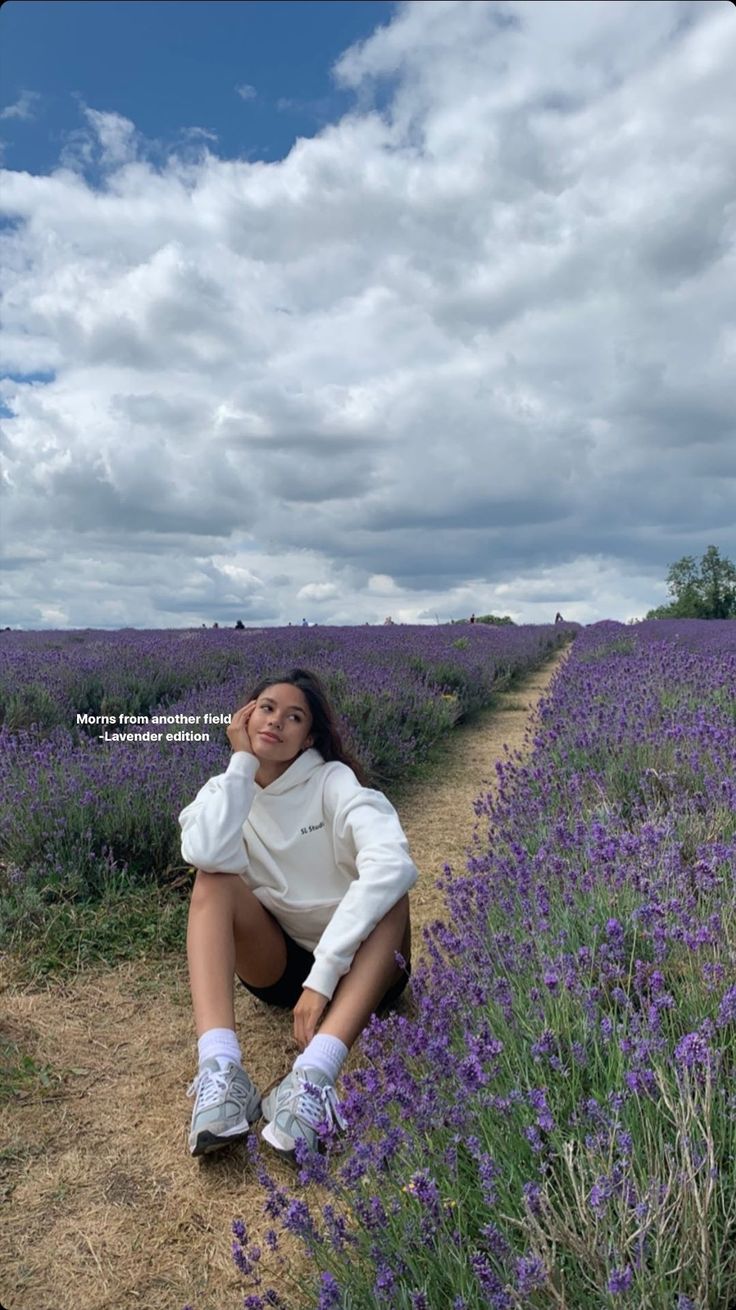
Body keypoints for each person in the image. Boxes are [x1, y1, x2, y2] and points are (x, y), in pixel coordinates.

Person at [179, 667, 417, 1161]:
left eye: (294, 716)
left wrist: (325, 976)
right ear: (244, 716)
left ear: (309, 735)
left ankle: (313, 1078)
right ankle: (221, 1073)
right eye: (266, 708)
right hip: (283, 969)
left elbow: (393, 861)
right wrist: (240, 766)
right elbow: (204, 850)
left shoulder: (332, 781)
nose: (276, 722)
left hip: (359, 973)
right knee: (212, 876)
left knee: (391, 896)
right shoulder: (225, 788)